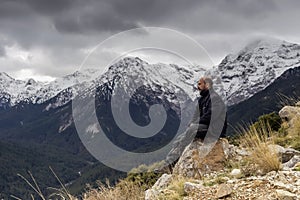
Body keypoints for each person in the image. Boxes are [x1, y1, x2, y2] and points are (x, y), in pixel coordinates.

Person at [162, 76, 227, 172]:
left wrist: (194, 124)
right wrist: (191, 123)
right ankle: (168, 164)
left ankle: (171, 164)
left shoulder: (215, 98)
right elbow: (196, 115)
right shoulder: (202, 100)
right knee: (179, 139)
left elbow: (210, 116)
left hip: (214, 130)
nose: (197, 86)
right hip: (204, 127)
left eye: (200, 84)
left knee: (192, 130)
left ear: (207, 85)